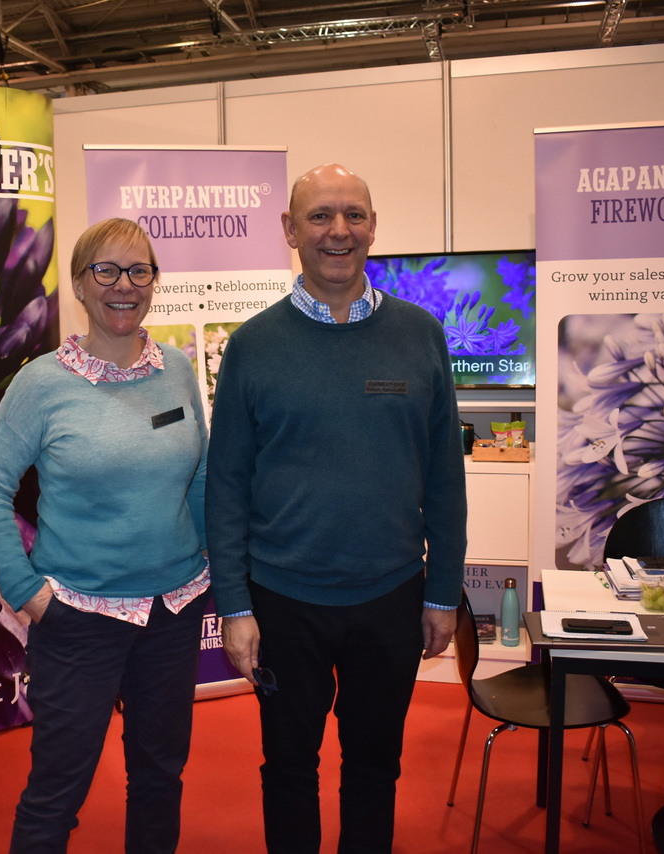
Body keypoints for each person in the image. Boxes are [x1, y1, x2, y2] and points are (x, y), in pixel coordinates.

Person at [205, 163, 468, 853]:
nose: (338, 230)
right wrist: (234, 607)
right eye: (320, 216)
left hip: (391, 597)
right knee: (289, 768)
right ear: (291, 230)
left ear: (373, 227)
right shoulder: (253, 345)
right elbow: (226, 485)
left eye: (353, 214)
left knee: (375, 767)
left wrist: (443, 592)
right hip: (282, 601)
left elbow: (446, 477)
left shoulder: (421, 334)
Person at [0, 217, 210, 853]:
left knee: (159, 777)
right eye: (106, 270)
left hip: (174, 612)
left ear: (154, 282)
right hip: (79, 618)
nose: (123, 285)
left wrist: (212, 560)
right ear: (78, 283)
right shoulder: (42, 383)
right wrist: (25, 591)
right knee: (57, 791)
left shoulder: (177, 369)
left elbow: (201, 474)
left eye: (138, 270)